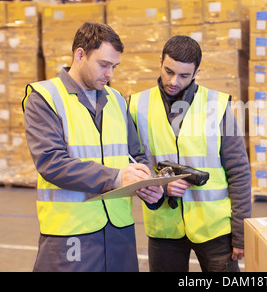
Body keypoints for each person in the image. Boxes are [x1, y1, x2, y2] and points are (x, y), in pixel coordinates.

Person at [22, 22, 164, 272]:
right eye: (104, 64)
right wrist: (117, 177)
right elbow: (51, 163)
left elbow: (135, 155)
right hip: (72, 232)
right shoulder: (45, 98)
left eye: (114, 66)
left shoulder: (117, 100)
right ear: (80, 54)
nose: (110, 74)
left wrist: (148, 184)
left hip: (119, 230)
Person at [129, 35, 251, 272]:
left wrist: (241, 232)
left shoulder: (217, 105)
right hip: (164, 227)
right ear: (160, 62)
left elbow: (239, 172)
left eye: (184, 75)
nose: (174, 81)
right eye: (169, 71)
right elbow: (131, 163)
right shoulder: (136, 105)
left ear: (197, 72)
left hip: (214, 228)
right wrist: (162, 186)